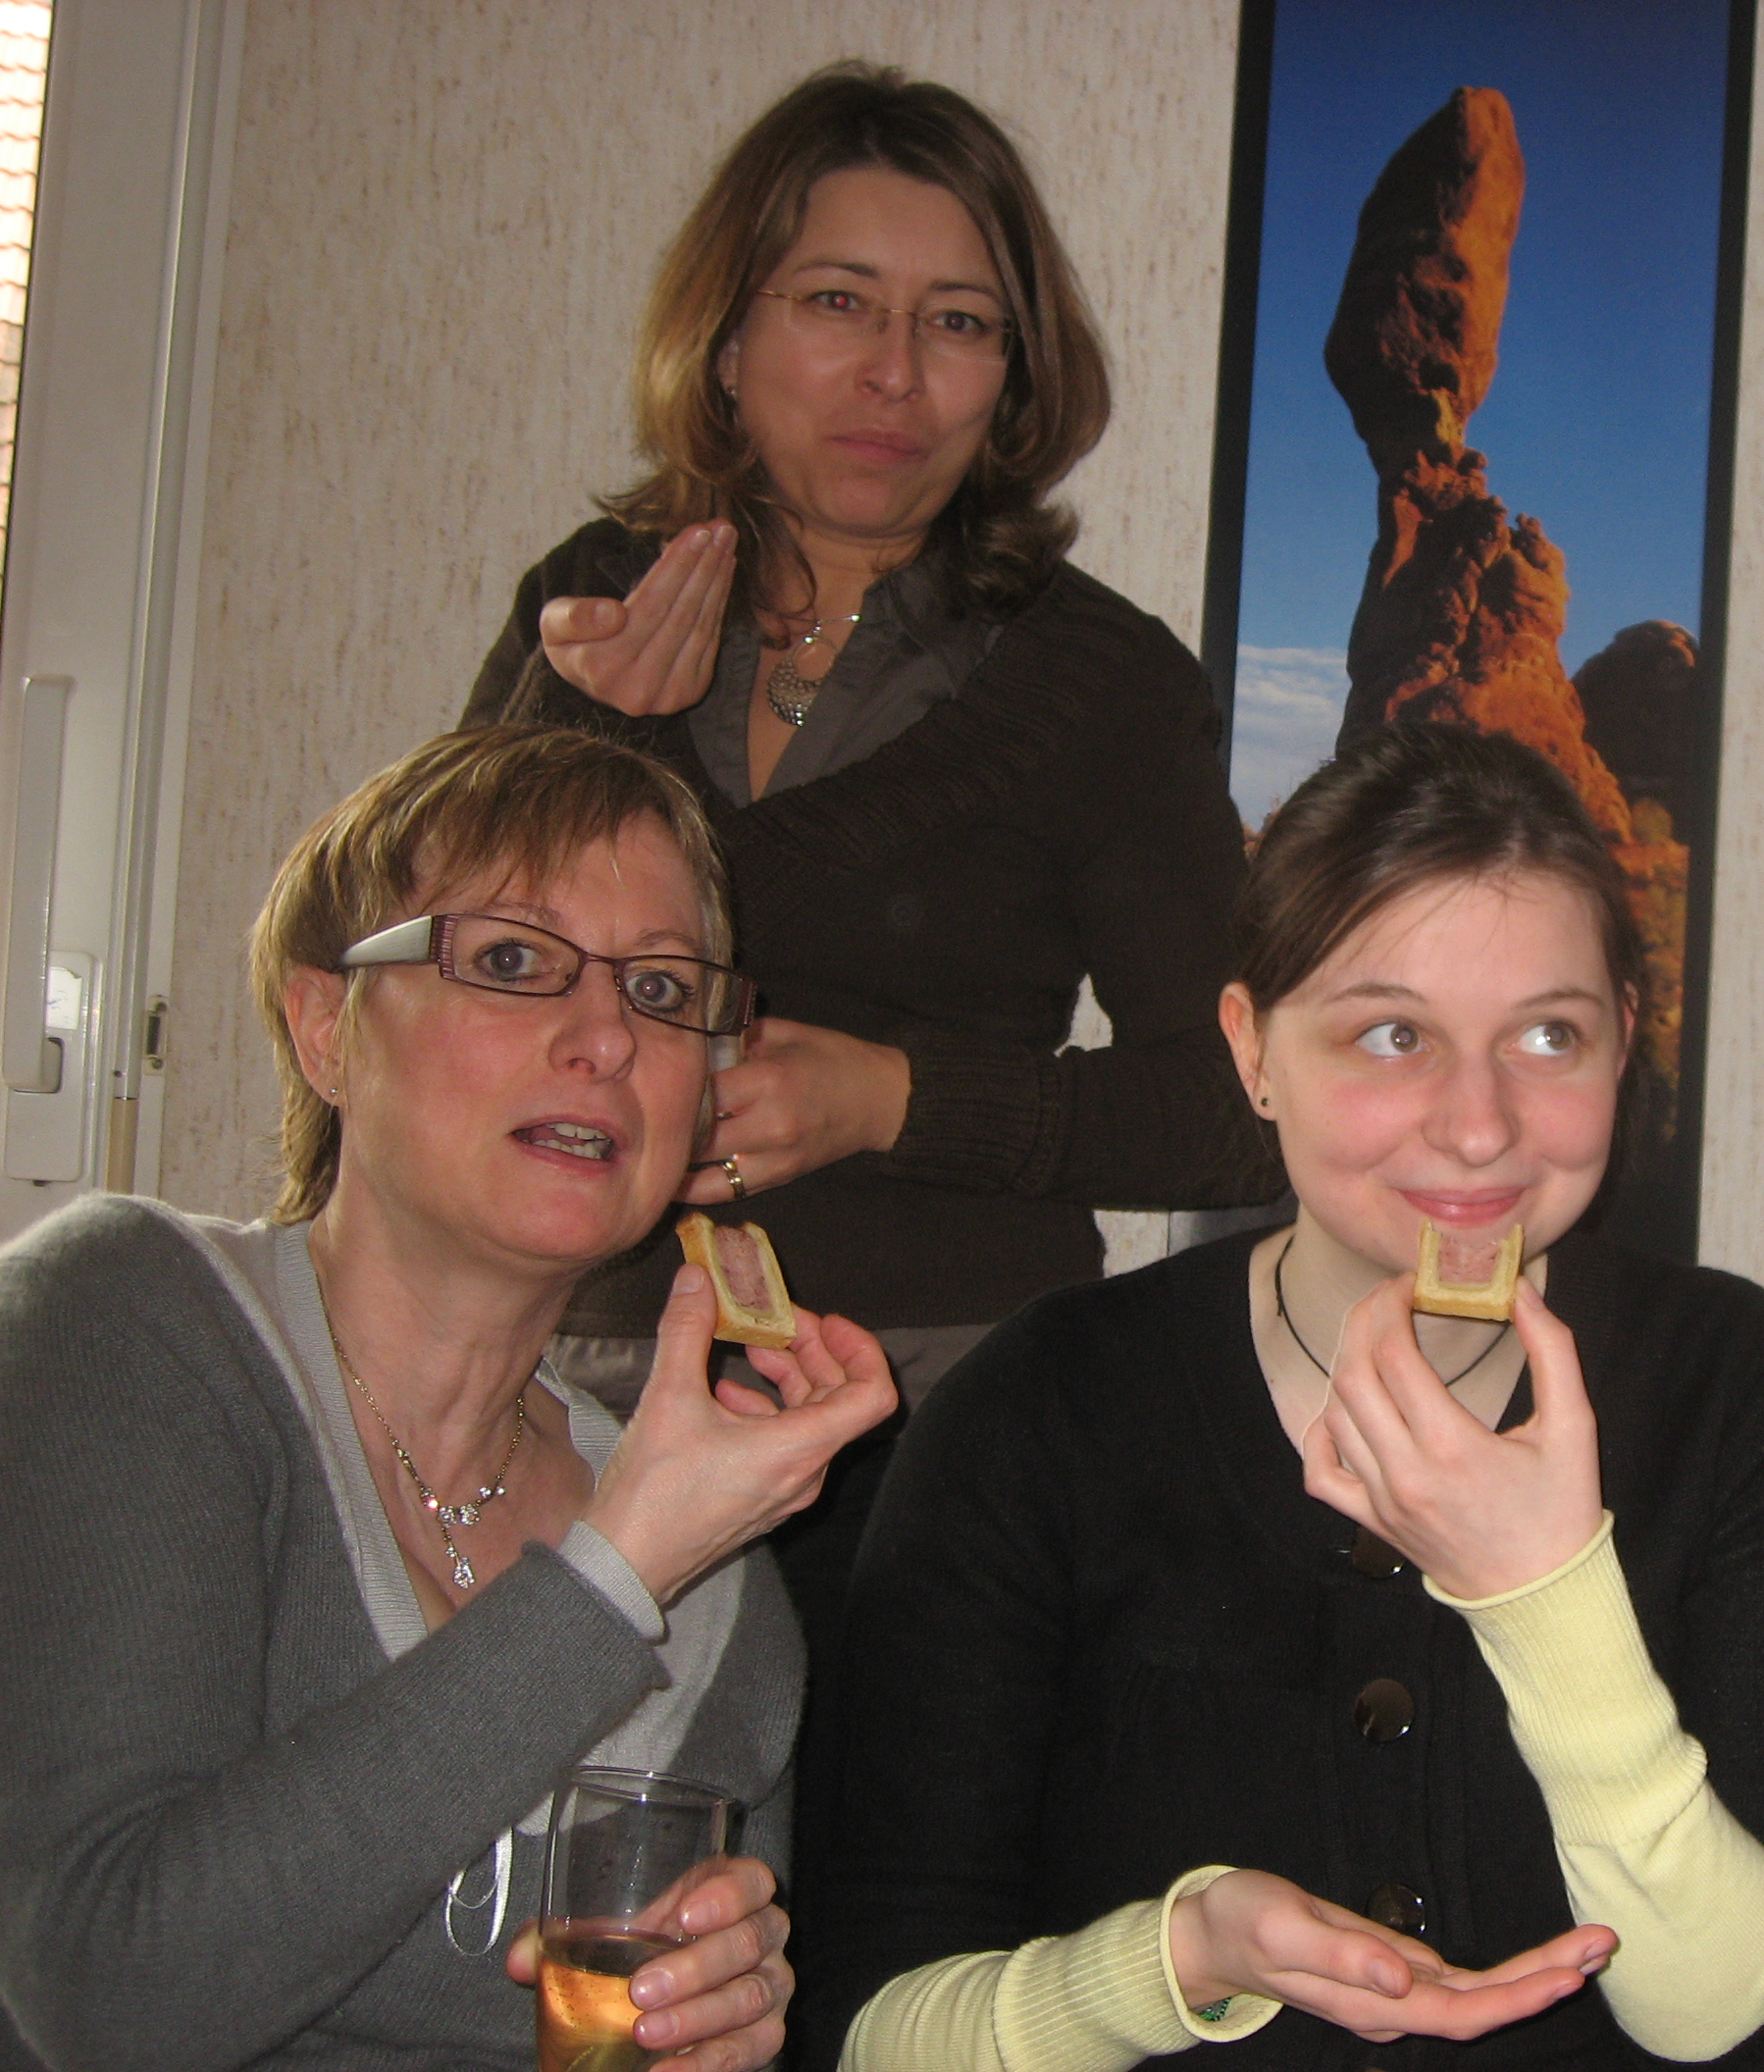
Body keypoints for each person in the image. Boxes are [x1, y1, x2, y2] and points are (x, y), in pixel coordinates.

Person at [457, 59, 1283, 1844]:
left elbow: (1245, 1108)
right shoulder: (592, 600)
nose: (894, 373)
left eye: (958, 322)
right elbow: (425, 1000)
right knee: (539, 1920)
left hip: (937, 1429)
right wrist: (577, 720)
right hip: (563, 1401)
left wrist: (891, 1099)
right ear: (728, 338)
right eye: (837, 301)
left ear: (1016, 378)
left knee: (857, 1938)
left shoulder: (1099, 682)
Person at [794, 724, 1764, 2070]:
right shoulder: (1039, 1410)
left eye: (1549, 1034)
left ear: (1622, 1044)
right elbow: (866, 2026)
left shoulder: (1732, 1388)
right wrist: (1169, 1966)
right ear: (1251, 1050)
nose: (1477, 1126)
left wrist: (1548, 1601)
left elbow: (1760, 2026)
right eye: (1390, 1035)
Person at [0, 724, 900, 2070]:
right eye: (513, 963)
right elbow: (109, 1999)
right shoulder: (132, 1323)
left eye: (662, 989)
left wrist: (725, 2024)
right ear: (326, 1028)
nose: (607, 1038)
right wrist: (615, 1569)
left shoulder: (723, 1586)